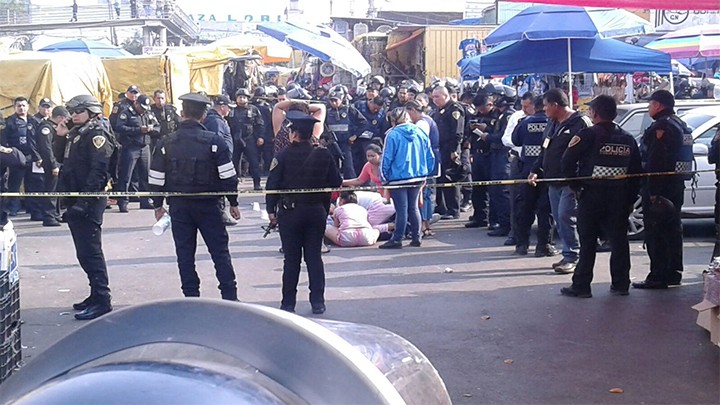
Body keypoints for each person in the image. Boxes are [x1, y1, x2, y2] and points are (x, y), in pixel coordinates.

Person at [149, 93, 241, 300]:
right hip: (210, 207)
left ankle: (191, 298)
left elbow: (156, 177)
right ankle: (230, 297)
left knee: (185, 254)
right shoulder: (215, 141)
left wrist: (157, 205)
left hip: (180, 207)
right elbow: (228, 176)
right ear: (203, 115)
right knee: (219, 252)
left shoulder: (166, 143)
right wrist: (233, 203)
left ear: (182, 114)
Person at [559, 95, 642, 298]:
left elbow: (567, 161)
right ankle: (621, 284)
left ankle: (581, 285)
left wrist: (576, 186)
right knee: (619, 242)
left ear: (595, 113)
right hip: (618, 198)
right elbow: (636, 172)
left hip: (592, 196)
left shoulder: (587, 135)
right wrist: (630, 200)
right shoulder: (627, 138)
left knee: (587, 241)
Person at [265, 110, 343, 314]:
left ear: (294, 134)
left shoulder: (282, 155)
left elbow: (272, 185)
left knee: (291, 260)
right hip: (316, 211)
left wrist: (271, 212)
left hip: (290, 213)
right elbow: (336, 182)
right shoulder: (324, 154)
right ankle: (317, 301)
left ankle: (288, 303)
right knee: (314, 257)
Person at [58, 95, 116, 320]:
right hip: (77, 200)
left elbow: (99, 171)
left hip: (88, 201)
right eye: (72, 111)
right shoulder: (77, 133)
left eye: (78, 111)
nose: (73, 115)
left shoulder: (96, 135)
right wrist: (60, 137)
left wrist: (84, 202)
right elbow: (61, 158)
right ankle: (95, 293)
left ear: (91, 112)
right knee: (83, 252)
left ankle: (102, 299)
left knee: (91, 252)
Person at [529, 89, 592, 274]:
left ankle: (573, 256)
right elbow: (545, 149)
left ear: (556, 105)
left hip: (571, 181)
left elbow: (588, 151)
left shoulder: (580, 122)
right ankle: (568, 254)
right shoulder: (552, 122)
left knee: (566, 216)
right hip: (552, 180)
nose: (544, 109)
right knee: (558, 218)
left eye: (546, 105)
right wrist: (535, 170)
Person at [633, 90, 690, 289]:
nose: (649, 108)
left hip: (660, 188)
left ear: (658, 105)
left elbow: (656, 161)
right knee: (673, 230)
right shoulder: (680, 124)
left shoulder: (662, 127)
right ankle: (674, 272)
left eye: (650, 104)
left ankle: (658, 275)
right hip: (676, 186)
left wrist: (654, 192)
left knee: (657, 232)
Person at [379, 108, 434, 249]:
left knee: (401, 209)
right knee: (413, 207)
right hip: (418, 175)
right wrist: (426, 173)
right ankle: (417, 237)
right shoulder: (420, 132)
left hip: (398, 177)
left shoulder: (392, 134)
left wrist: (384, 177)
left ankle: (397, 238)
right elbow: (430, 154)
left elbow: (387, 158)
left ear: (393, 120)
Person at [512, 95, 556, 257]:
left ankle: (522, 244)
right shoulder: (552, 124)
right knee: (546, 210)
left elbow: (515, 140)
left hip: (527, 171)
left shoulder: (524, 123)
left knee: (525, 208)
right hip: (546, 172)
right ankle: (543, 246)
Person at [115, 94, 160, 212]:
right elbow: (119, 128)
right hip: (131, 147)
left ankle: (145, 200)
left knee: (145, 176)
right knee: (126, 176)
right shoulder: (126, 113)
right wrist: (138, 130)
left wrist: (151, 130)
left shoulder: (148, 113)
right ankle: (123, 202)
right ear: (136, 104)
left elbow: (158, 127)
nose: (143, 110)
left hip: (145, 147)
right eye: (142, 107)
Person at [406, 100, 440, 237]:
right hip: (430, 159)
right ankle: (425, 223)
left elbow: (419, 142)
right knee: (426, 194)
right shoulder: (428, 119)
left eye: (408, 114)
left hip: (426, 162)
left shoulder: (422, 123)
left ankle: (424, 224)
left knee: (424, 194)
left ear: (413, 110)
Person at [1, 97, 40, 217]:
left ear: (28, 106)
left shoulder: (34, 120)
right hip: (17, 157)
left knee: (33, 184)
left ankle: (33, 209)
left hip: (32, 157)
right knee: (14, 184)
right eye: (19, 106)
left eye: (23, 105)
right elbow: (4, 139)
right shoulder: (9, 122)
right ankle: (13, 208)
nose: (22, 108)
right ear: (14, 108)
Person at [203, 94, 237, 226]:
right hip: (219, 161)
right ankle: (220, 214)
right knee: (221, 186)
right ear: (222, 107)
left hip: (221, 159)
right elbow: (216, 142)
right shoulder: (215, 121)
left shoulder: (217, 119)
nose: (229, 110)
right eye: (228, 107)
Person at [431, 86, 464, 220]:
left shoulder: (454, 109)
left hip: (450, 148)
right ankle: (442, 206)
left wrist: (454, 150)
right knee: (441, 177)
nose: (434, 100)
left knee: (450, 177)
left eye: (437, 97)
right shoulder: (439, 110)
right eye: (433, 97)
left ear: (445, 96)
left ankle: (453, 209)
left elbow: (457, 132)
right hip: (441, 147)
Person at [35, 106, 70, 227]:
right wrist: (53, 165)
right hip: (51, 163)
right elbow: (47, 149)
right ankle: (49, 217)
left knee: (57, 189)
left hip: (57, 162)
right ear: (59, 117)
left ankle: (55, 214)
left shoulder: (55, 127)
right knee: (50, 190)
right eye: (65, 118)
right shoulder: (46, 128)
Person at [325, 89, 368, 179]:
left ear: (341, 99)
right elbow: (323, 127)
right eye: (331, 100)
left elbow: (363, 123)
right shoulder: (327, 112)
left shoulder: (349, 110)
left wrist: (355, 135)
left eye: (336, 100)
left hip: (346, 143)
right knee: (332, 167)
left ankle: (350, 188)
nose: (334, 103)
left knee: (348, 167)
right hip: (331, 143)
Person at [228, 88, 264, 190]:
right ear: (236, 98)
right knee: (234, 162)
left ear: (247, 99)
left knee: (254, 162)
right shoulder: (232, 110)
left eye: (244, 97)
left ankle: (257, 184)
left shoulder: (253, 109)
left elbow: (260, 124)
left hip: (249, 139)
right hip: (235, 139)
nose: (242, 99)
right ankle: (233, 184)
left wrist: (260, 137)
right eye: (240, 97)